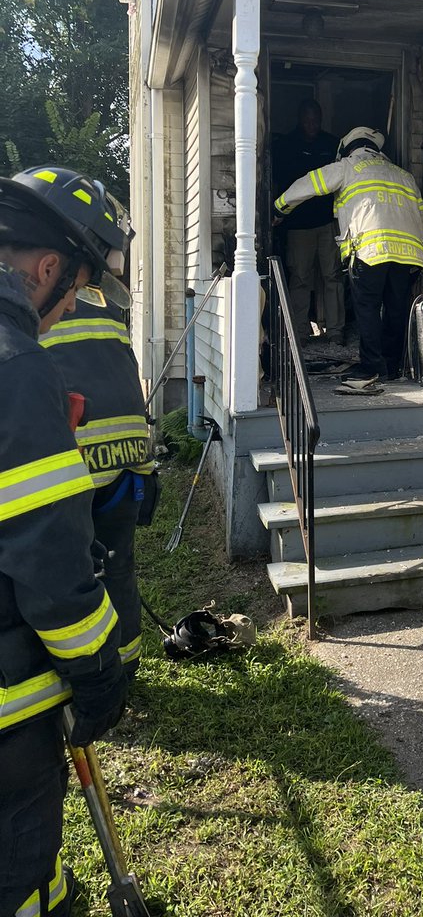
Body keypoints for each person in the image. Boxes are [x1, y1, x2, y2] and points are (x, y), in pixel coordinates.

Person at [0, 165, 129, 917]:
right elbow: (50, 560)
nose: (72, 307)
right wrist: (97, 669)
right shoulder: (16, 366)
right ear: (48, 269)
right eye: (76, 287)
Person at [40, 280, 156, 683]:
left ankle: (92, 674)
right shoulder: (103, 300)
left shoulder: (33, 314)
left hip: (76, 452)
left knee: (72, 572)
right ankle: (127, 666)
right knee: (118, 564)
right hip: (128, 453)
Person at [274, 126, 423, 389]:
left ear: (347, 148)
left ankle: (370, 367)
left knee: (367, 307)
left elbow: (308, 184)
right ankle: (391, 367)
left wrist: (279, 207)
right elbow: (422, 219)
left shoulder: (347, 167)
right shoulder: (403, 175)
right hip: (408, 253)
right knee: (396, 308)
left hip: (370, 250)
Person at [273, 99, 344, 343]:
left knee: (332, 276)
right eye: (307, 120)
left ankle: (335, 331)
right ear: (300, 119)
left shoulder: (332, 144)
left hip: (327, 222)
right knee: (300, 278)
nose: (312, 125)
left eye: (316, 120)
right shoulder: (286, 145)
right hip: (298, 224)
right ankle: (299, 333)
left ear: (321, 119)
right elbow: (279, 182)